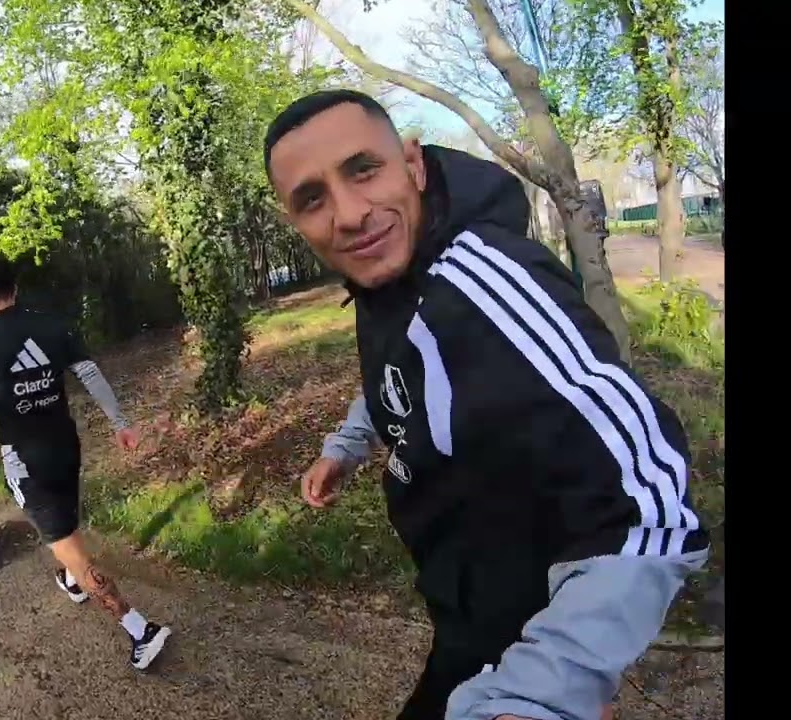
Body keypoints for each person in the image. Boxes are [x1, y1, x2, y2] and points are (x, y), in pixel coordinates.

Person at [264, 89, 709, 720]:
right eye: (312, 199)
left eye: (364, 169)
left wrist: (544, 691)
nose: (350, 213)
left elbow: (654, 511)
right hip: (466, 605)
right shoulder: (391, 278)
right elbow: (396, 371)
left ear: (413, 165)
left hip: (526, 631)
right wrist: (346, 447)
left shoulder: (487, 288)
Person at [0, 252, 173, 671]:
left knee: (71, 547)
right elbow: (91, 375)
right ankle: (72, 579)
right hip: (66, 448)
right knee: (66, 527)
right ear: (15, 288)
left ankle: (139, 629)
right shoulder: (51, 325)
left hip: (27, 463)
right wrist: (121, 423)